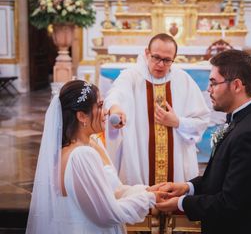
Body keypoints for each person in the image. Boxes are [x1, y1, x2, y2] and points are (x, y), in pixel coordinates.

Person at [155, 50, 251, 234]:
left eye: (214, 83)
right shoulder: (243, 119)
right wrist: (186, 188)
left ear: (237, 85)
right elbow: (223, 177)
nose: (209, 89)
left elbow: (231, 203)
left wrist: (181, 203)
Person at [26, 80, 165, 234]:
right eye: (99, 106)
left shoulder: (80, 147)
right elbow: (106, 215)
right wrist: (150, 198)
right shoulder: (81, 156)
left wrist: (146, 190)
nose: (105, 111)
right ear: (82, 116)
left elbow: (111, 193)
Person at [104, 33, 210, 185]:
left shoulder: (183, 80)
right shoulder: (131, 76)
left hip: (176, 160)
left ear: (174, 58)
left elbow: (202, 119)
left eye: (167, 60)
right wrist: (115, 108)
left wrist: (178, 122)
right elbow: (115, 94)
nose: (160, 64)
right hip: (140, 158)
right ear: (147, 53)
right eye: (156, 57)